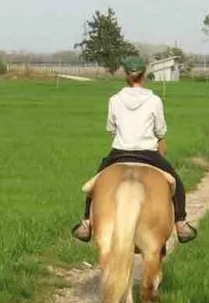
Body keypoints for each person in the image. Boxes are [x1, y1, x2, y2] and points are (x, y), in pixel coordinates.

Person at [72, 54, 197, 243]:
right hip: (148, 153)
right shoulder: (154, 100)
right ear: (144, 75)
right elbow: (160, 129)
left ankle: (87, 222)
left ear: (125, 75)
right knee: (176, 182)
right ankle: (180, 222)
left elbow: (110, 128)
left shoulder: (114, 99)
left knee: (96, 184)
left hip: (119, 153)